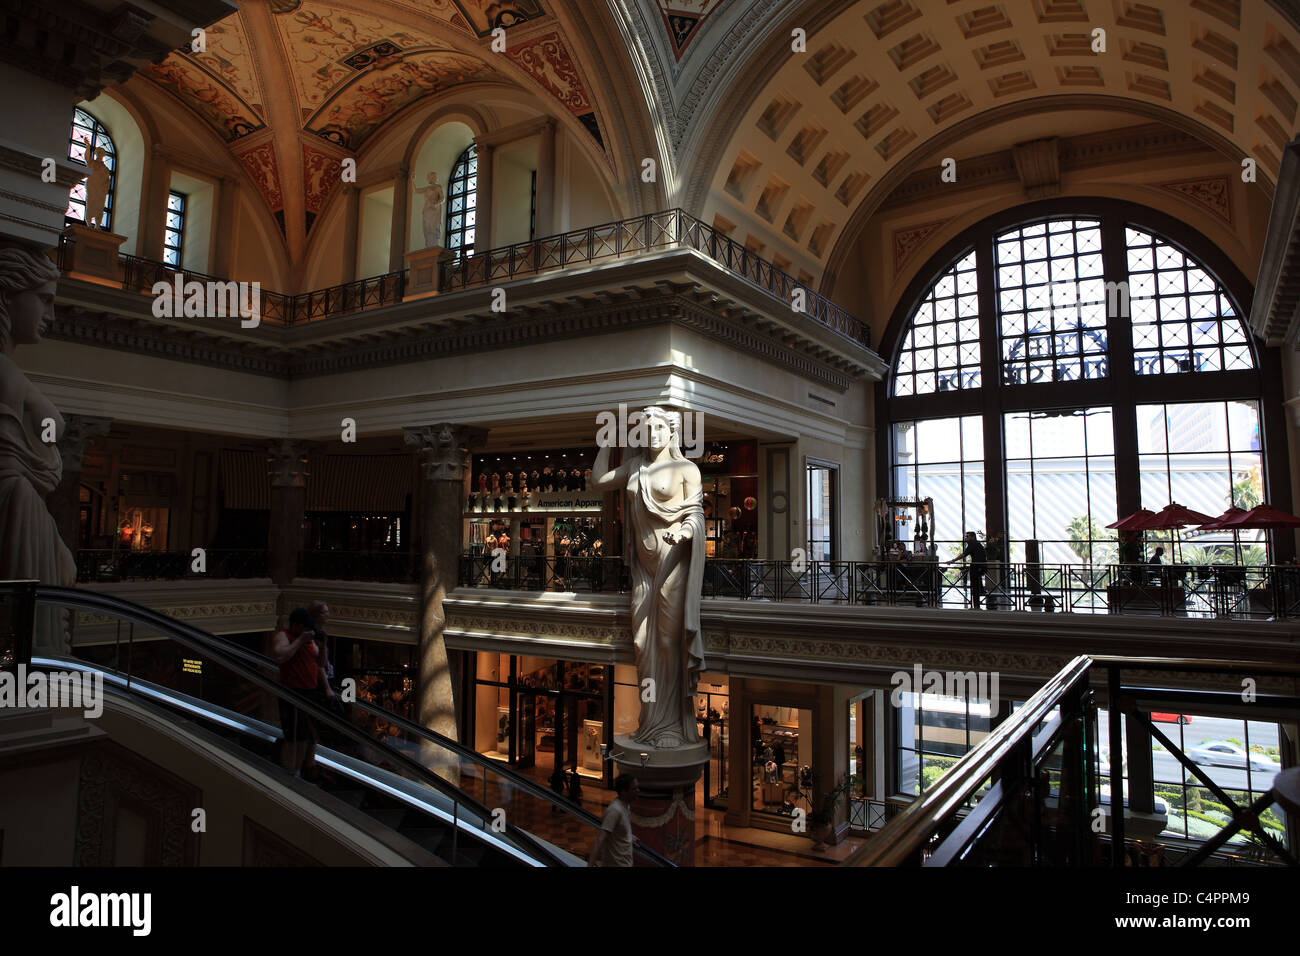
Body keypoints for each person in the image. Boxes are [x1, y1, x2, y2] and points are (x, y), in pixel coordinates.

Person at [270, 607, 335, 777]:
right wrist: (299, 641)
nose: (308, 631)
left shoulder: (309, 639)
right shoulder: (283, 636)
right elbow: (280, 656)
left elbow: (320, 663)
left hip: (310, 691)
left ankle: (298, 769)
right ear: (297, 625)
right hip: (292, 692)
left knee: (305, 736)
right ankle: (289, 771)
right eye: (305, 628)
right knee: (293, 737)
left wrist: (322, 647)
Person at [588, 774, 638, 867]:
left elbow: (619, 828)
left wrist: (627, 835)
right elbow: (600, 840)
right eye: (634, 789)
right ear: (624, 791)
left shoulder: (626, 805)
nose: (637, 791)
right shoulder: (615, 810)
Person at [947, 531, 988, 609]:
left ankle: (976, 605)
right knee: (977, 585)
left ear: (973, 537)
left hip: (977, 567)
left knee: (975, 586)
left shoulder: (972, 543)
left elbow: (964, 554)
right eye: (966, 536)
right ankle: (976, 604)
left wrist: (952, 561)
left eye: (967, 536)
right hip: (980, 566)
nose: (966, 538)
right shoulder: (976, 543)